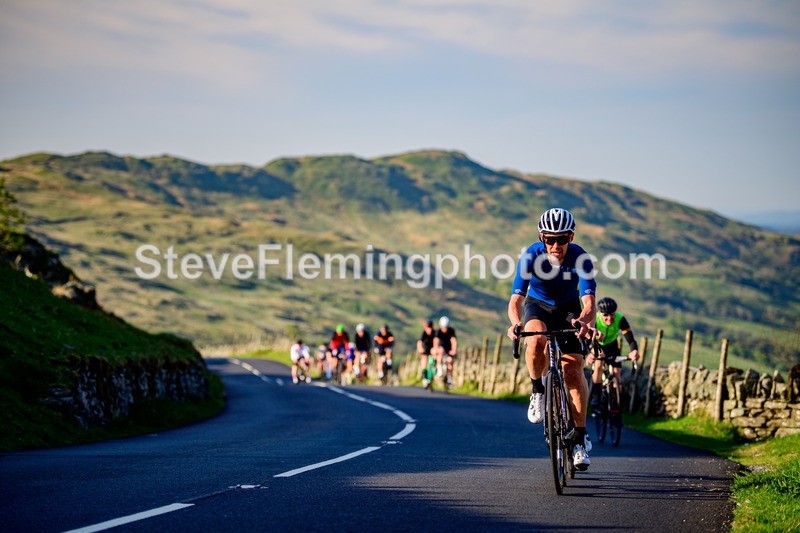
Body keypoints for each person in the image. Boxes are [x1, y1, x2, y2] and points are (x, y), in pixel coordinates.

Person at [507, 207, 596, 471]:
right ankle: (537, 389)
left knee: (573, 370)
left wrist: (583, 320)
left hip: (569, 310)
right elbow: (516, 299)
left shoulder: (581, 258)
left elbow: (589, 303)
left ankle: (579, 438)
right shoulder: (531, 255)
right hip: (538, 305)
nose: (556, 245)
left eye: (563, 238)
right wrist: (515, 324)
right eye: (550, 239)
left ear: (572, 236)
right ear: (541, 237)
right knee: (535, 341)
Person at [586, 297, 640, 408]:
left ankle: (616, 403)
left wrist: (634, 350)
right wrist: (589, 354)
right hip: (597, 345)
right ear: (599, 314)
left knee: (617, 373)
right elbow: (587, 339)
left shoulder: (620, 318)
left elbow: (630, 339)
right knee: (599, 362)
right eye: (605, 315)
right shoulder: (594, 319)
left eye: (612, 314)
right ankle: (596, 396)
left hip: (612, 346)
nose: (609, 318)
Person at [433, 316, 457, 388]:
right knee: (440, 352)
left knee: (450, 361)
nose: (444, 329)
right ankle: (439, 368)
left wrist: (454, 350)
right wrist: (436, 349)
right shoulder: (438, 332)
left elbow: (454, 341)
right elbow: (436, 341)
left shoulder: (451, 331)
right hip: (441, 350)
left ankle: (450, 379)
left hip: (448, 350)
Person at [417, 320, 436, 388]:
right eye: (427, 328)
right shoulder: (424, 333)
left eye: (430, 327)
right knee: (424, 361)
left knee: (433, 361)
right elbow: (419, 342)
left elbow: (437, 341)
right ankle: (425, 378)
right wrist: (420, 349)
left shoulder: (434, 333)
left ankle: (433, 374)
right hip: (425, 349)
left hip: (432, 349)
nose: (429, 329)